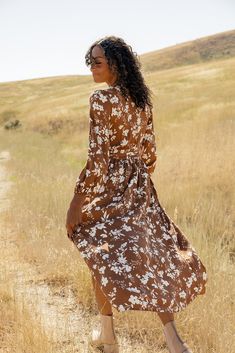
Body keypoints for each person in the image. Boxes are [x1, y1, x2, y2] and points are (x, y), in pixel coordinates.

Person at [66, 35, 208, 353]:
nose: (92, 67)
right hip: (139, 186)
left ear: (116, 64)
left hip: (110, 186)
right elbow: (150, 153)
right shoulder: (142, 100)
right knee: (147, 257)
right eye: (89, 61)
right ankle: (168, 340)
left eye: (97, 62)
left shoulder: (100, 100)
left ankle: (109, 336)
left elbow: (98, 158)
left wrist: (77, 200)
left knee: (99, 255)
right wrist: (137, 180)